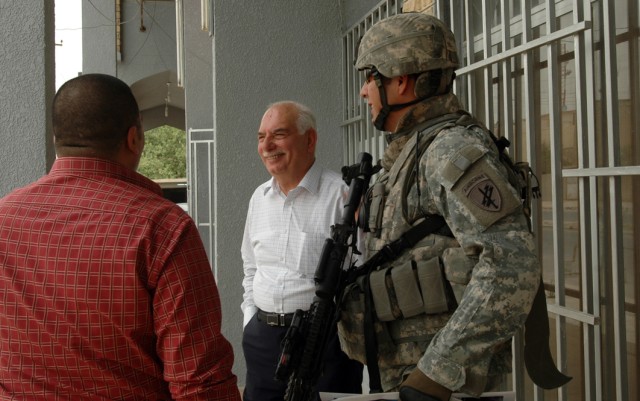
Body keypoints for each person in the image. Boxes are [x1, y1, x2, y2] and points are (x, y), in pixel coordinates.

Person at [336, 12, 565, 401]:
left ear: (400, 79)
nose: (363, 92)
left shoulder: (448, 150)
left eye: (369, 78)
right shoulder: (412, 151)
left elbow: (511, 263)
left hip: (439, 385)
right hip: (410, 375)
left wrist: (436, 374)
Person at [0, 74, 241, 401]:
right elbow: (198, 381)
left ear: (58, 137)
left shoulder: (5, 217)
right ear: (134, 138)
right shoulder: (163, 227)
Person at [241, 101, 363, 401]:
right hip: (263, 342)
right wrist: (249, 321)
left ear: (310, 139)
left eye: (279, 134)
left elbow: (363, 271)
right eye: (261, 137)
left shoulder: (342, 197)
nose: (267, 145)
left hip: (324, 344)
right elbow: (251, 268)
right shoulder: (259, 198)